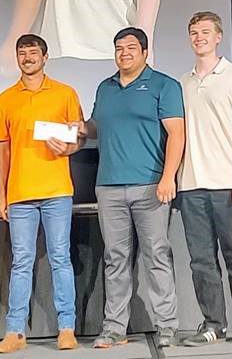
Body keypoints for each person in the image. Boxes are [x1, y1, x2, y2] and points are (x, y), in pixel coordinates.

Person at [80, 27, 184, 349]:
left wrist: (169, 177)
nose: (124, 53)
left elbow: (176, 135)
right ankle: (114, 328)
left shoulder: (164, 85)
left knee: (157, 257)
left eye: (130, 48)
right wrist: (77, 129)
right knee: (115, 259)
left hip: (150, 186)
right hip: (109, 187)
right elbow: (96, 127)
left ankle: (166, 325)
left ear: (143, 52)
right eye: (118, 48)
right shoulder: (105, 87)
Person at [0, 34, 82, 353]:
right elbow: (3, 151)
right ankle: (15, 331)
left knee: (60, 258)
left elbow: (78, 136)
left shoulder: (65, 93)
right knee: (21, 262)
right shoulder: (5, 98)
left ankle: (66, 328)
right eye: (22, 53)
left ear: (45, 57)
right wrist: (1, 195)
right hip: (19, 194)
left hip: (56, 189)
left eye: (33, 52)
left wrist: (70, 145)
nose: (28, 57)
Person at [178, 12, 232, 346]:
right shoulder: (182, 82)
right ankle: (213, 323)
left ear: (218, 37)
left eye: (205, 32)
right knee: (201, 261)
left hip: (228, 182)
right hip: (191, 185)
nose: (199, 37)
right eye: (194, 32)